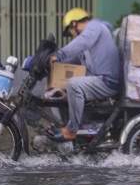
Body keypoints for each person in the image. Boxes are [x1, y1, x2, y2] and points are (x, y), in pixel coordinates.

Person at [44, 7, 121, 142]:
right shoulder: (89, 42)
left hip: (107, 81)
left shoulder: (95, 26)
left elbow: (82, 42)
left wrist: (59, 55)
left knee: (74, 84)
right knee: (59, 90)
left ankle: (71, 130)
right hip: (99, 80)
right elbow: (73, 60)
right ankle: (78, 132)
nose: (73, 36)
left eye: (70, 32)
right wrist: (50, 63)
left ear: (74, 24)